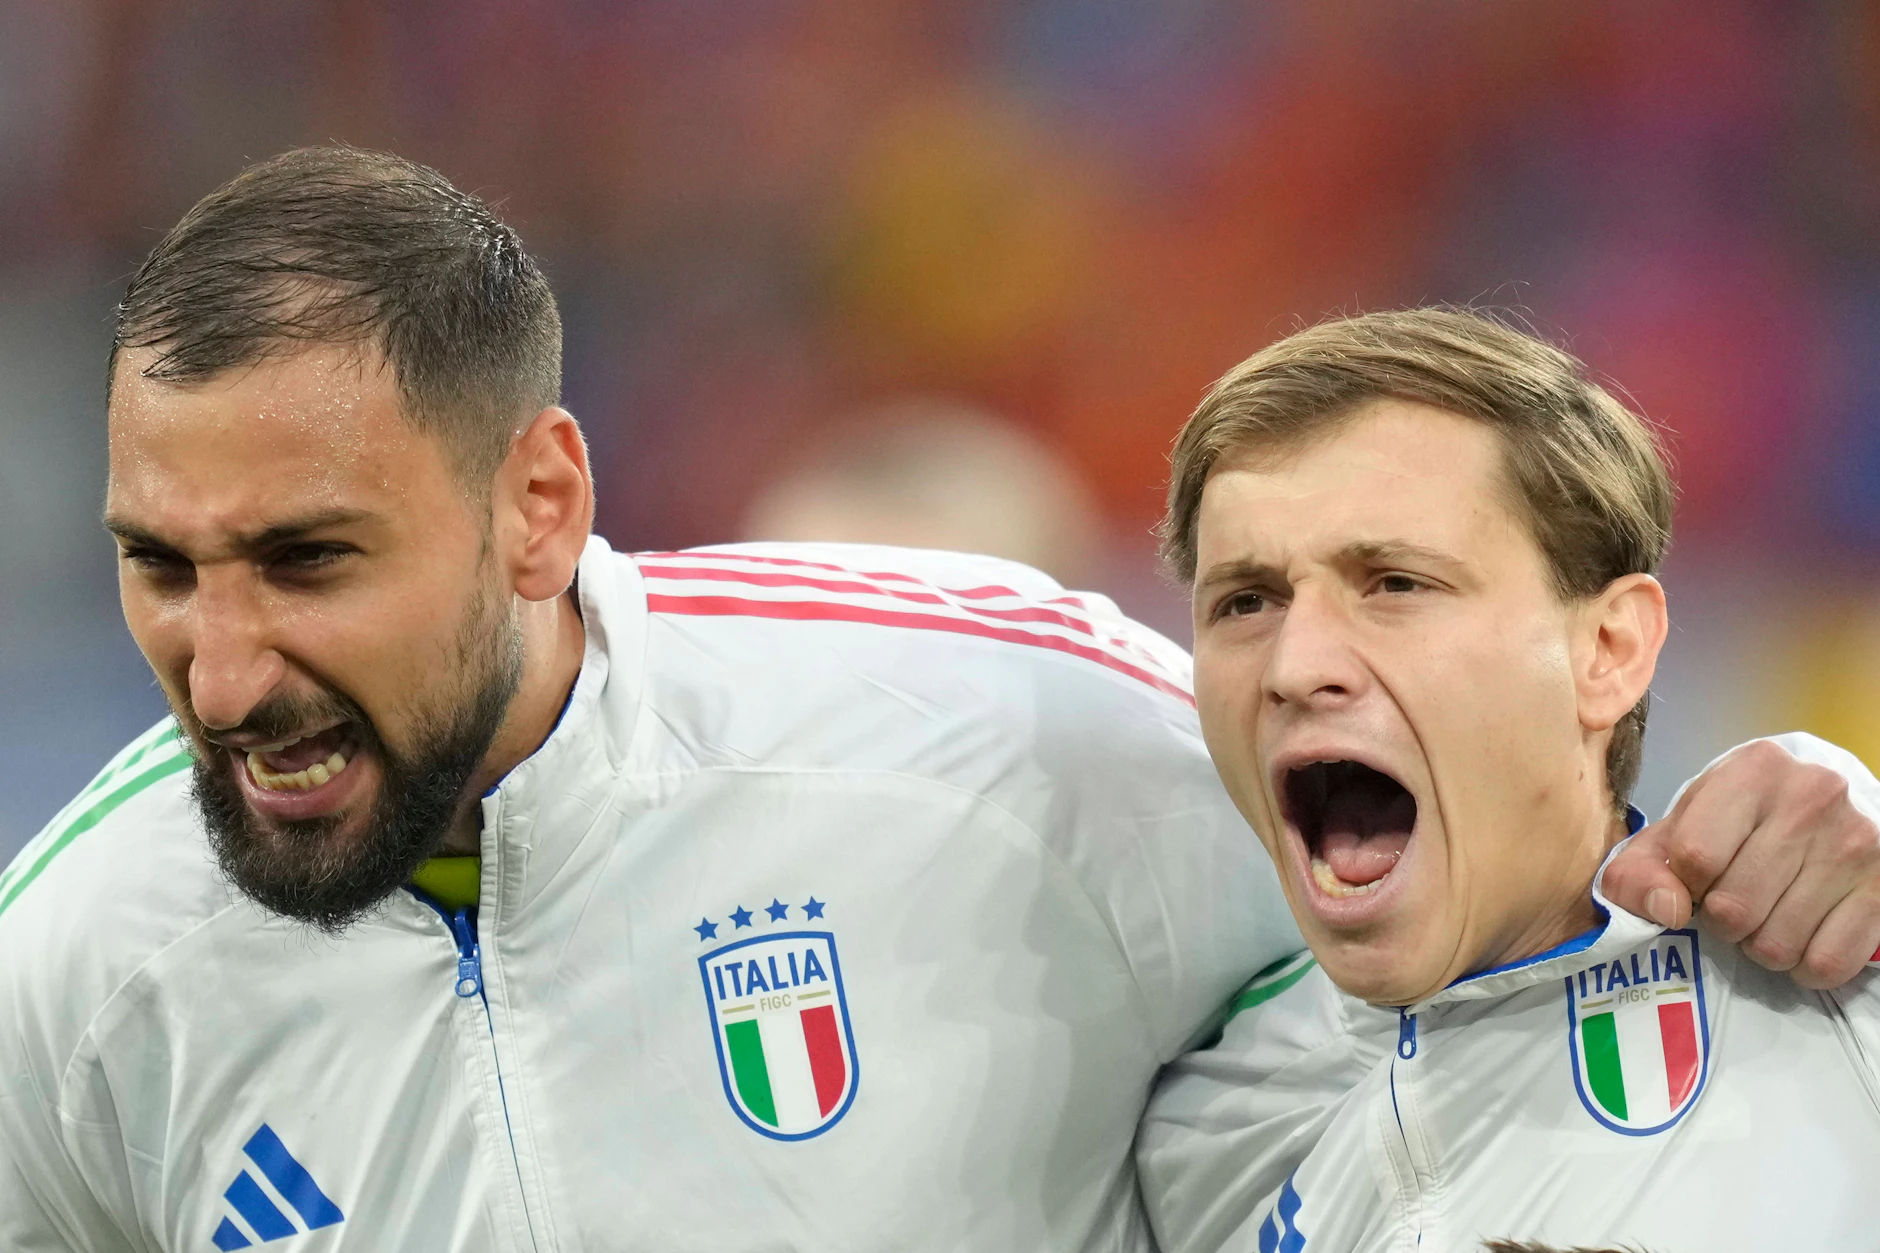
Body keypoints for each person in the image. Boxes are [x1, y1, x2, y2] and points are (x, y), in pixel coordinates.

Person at [0, 151, 1872, 1253]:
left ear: (538, 507)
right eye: (160, 565)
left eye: (311, 559)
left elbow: (1532, 913)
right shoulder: (81, 955)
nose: (222, 673)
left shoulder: (1011, 751)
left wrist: (1814, 819)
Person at [1137, 308, 1880, 1252]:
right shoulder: (1198, 1123)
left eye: (1396, 583)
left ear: (1609, 648)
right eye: (1246, 601)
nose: (1294, 663)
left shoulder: (1834, 994)